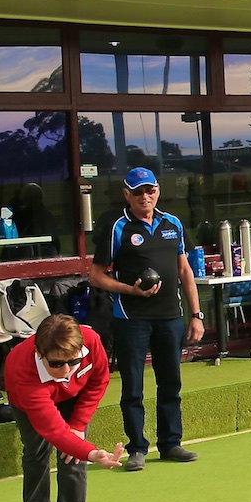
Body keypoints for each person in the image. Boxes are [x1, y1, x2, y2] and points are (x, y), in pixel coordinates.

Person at [88, 166, 203, 470]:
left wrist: (196, 315)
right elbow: (97, 276)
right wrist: (130, 290)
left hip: (169, 317)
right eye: (137, 192)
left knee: (170, 383)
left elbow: (184, 271)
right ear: (126, 195)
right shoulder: (117, 228)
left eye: (149, 190)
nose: (144, 196)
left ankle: (170, 444)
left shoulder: (172, 223)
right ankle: (137, 448)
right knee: (133, 386)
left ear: (157, 191)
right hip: (131, 317)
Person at [1, 313, 122, 502]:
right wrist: (93, 453)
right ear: (40, 353)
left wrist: (78, 426)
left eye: (73, 362)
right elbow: (53, 430)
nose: (66, 371)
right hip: (30, 402)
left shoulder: (91, 340)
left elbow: (99, 380)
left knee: (73, 462)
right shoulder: (20, 367)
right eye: (56, 364)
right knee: (35, 453)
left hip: (74, 400)